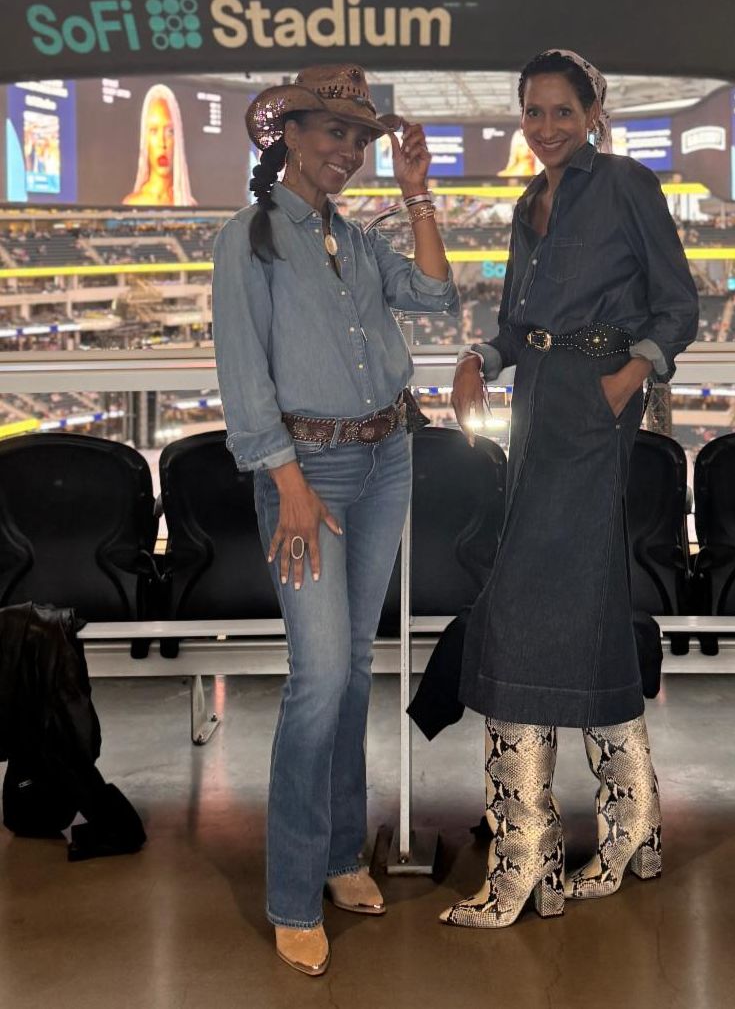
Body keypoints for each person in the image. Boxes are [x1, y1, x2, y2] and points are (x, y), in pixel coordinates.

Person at [211, 64, 458, 975]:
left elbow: (435, 295)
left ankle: (342, 852)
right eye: (333, 132)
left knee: (352, 671)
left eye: (360, 138)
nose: (348, 151)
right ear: (289, 134)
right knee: (318, 679)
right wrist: (289, 484)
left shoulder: (355, 239)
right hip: (305, 475)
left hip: (388, 457)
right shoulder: (247, 240)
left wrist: (417, 193)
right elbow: (245, 380)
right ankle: (291, 892)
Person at [445, 49, 698, 929]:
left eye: (562, 111)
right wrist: (481, 356)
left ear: (594, 112)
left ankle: (526, 858)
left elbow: (678, 305)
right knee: (588, 612)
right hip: (536, 408)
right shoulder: (529, 204)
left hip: (592, 409)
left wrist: (628, 380)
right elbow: (519, 323)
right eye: (533, 112)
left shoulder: (626, 185)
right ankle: (634, 826)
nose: (546, 127)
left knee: (518, 613)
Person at [122, 84, 196, 207]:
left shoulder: (189, 204)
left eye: (169, 132)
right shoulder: (132, 203)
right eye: (154, 131)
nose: (162, 143)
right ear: (145, 138)